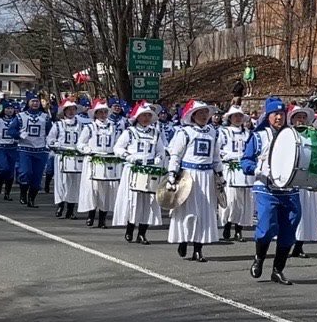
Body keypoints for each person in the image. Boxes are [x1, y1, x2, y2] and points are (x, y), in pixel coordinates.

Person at [241, 97, 300, 284]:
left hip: (289, 190)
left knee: (289, 230)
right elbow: (246, 162)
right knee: (266, 227)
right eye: (275, 114)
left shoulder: (293, 136)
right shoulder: (259, 136)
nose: (279, 118)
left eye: (282, 114)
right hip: (266, 188)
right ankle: (259, 258)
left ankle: (278, 270)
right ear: (268, 116)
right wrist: (259, 170)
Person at [165, 100, 222, 262]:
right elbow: (176, 155)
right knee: (187, 209)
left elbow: (216, 156)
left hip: (207, 176)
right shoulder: (185, 132)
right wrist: (172, 174)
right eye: (200, 113)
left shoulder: (213, 132)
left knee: (204, 212)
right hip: (188, 176)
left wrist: (220, 175)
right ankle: (183, 240)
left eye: (206, 112)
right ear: (193, 115)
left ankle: (198, 248)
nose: (204, 115)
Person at [112, 101, 165, 244]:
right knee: (133, 200)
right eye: (143, 115)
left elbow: (161, 151)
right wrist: (128, 156)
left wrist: (158, 159)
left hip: (150, 170)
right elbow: (118, 148)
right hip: (134, 170)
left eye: (149, 115)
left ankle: (142, 233)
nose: (146, 118)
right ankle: (130, 228)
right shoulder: (130, 132)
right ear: (137, 117)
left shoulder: (155, 133)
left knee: (148, 202)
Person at [77, 99, 120, 228]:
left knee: (106, 190)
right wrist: (87, 150)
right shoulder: (89, 127)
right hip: (93, 160)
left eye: (105, 112)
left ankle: (102, 218)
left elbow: (118, 143)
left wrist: (117, 152)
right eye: (100, 112)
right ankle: (91, 214)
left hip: (108, 161)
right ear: (95, 114)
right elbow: (80, 144)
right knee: (93, 189)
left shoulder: (113, 127)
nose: (103, 114)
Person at [218, 105, 254, 242]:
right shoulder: (224, 132)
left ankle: (239, 229)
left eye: (240, 116)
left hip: (245, 170)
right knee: (231, 199)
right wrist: (228, 156)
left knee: (244, 200)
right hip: (230, 169)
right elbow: (217, 150)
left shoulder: (248, 134)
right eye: (235, 116)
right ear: (230, 118)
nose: (238, 118)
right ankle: (227, 225)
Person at [288, 106, 317, 258]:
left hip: (306, 177)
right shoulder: (288, 134)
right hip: (291, 178)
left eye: (303, 117)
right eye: (298, 117)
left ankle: (299, 245)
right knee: (291, 213)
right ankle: (287, 243)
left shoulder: (312, 135)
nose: (301, 120)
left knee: (305, 211)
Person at [47, 97, 85, 219]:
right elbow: (50, 140)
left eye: (73, 109)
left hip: (76, 157)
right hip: (62, 156)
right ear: (64, 111)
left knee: (74, 183)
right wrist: (56, 145)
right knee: (61, 182)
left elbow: (85, 140)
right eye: (68, 109)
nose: (71, 112)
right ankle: (60, 205)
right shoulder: (58, 125)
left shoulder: (81, 126)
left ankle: (71, 209)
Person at [16, 93, 51, 208]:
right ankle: (23, 193)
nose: (35, 103)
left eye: (37, 101)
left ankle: (32, 199)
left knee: (37, 177)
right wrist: (19, 134)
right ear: (28, 102)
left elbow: (51, 132)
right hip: (25, 150)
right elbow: (11, 131)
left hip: (40, 151)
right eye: (33, 101)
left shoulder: (45, 117)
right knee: (25, 172)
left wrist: (51, 144)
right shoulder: (20, 116)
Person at [0, 103, 22, 202]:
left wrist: (19, 137)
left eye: (11, 108)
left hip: (13, 148)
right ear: (3, 110)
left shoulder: (18, 121)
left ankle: (7, 193)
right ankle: (0, 183)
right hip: (1, 148)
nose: (10, 110)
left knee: (10, 172)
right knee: (3, 168)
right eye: (7, 108)